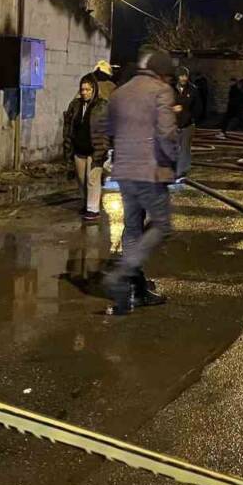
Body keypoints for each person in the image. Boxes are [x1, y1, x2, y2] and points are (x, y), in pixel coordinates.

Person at [103, 47, 178, 316]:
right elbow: (167, 134)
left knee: (132, 228)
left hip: (124, 172)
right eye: (169, 77)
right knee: (161, 225)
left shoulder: (119, 92)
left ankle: (134, 289)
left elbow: (109, 131)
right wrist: (174, 163)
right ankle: (122, 274)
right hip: (150, 171)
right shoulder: (160, 91)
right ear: (162, 74)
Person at [62, 73, 110, 221]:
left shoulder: (102, 106)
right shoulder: (75, 105)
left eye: (88, 89)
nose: (84, 93)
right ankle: (87, 203)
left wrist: (105, 147)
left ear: (94, 89)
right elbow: (68, 126)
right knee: (82, 180)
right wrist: (68, 146)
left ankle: (93, 209)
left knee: (92, 180)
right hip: (79, 149)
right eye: (82, 89)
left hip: (96, 149)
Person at [173, 67, 199, 179]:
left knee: (184, 148)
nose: (184, 78)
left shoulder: (193, 90)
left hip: (187, 124)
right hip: (173, 124)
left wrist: (190, 117)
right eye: (181, 76)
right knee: (173, 148)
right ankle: (173, 170)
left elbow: (198, 107)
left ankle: (181, 172)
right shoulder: (170, 88)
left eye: (185, 76)